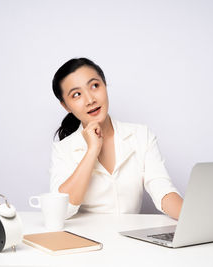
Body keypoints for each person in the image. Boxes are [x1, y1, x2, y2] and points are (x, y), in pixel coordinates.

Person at [50, 58, 183, 220]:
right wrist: (92, 150)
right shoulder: (63, 149)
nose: (90, 100)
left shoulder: (141, 135)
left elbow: (162, 190)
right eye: (76, 95)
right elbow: (61, 210)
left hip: (130, 240)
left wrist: (194, 219)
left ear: (105, 85)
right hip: (84, 240)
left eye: (94, 86)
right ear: (66, 106)